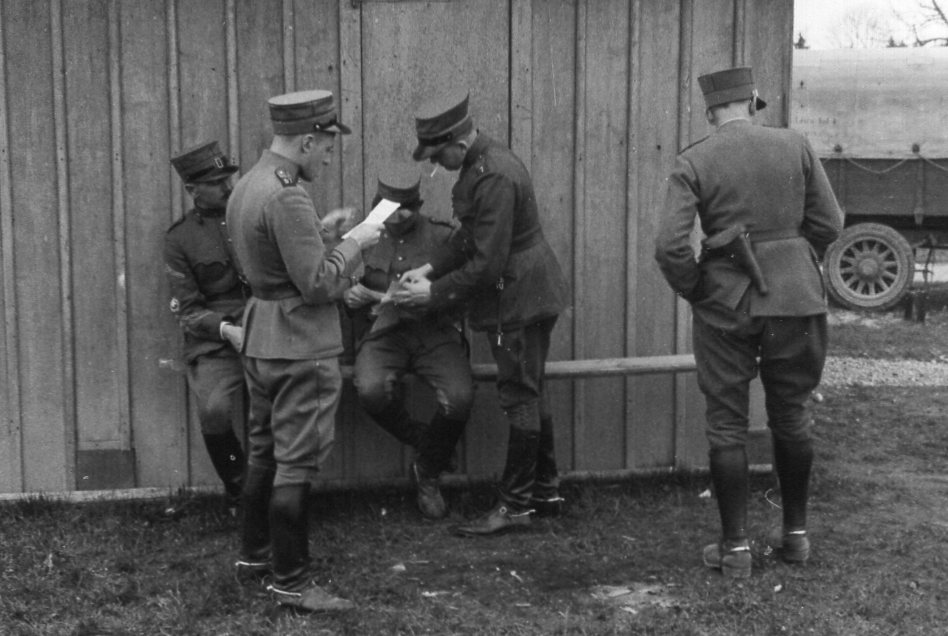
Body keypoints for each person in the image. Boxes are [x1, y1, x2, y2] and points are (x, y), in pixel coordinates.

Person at [654, 67, 843, 578]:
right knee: (792, 414)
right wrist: (792, 261)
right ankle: (796, 537)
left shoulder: (694, 159)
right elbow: (829, 224)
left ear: (710, 111)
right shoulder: (795, 145)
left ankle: (735, 548)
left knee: (726, 422)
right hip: (796, 300)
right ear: (754, 102)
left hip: (726, 305)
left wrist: (698, 289)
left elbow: (669, 247)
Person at [225, 89, 382, 612]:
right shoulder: (287, 195)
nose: (329, 158)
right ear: (307, 141)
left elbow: (271, 257)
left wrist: (322, 233)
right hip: (300, 345)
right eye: (327, 148)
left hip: (262, 336)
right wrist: (357, 241)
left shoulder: (249, 185)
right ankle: (292, 583)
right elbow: (316, 284)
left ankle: (255, 557)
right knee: (296, 462)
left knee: (264, 451)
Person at [395, 89, 570, 536]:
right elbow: (469, 237)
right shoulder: (481, 166)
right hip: (521, 291)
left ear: (458, 141)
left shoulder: (492, 176)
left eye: (439, 156)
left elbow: (487, 263)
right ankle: (545, 492)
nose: (437, 165)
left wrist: (432, 294)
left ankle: (515, 506)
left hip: (518, 296)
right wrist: (428, 268)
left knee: (519, 393)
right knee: (529, 387)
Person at [345, 164, 474, 520]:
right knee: (370, 390)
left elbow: (464, 291)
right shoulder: (361, 237)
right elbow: (336, 285)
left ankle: (427, 472)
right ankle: (428, 445)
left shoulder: (442, 237)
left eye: (406, 209)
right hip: (383, 332)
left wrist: (432, 299)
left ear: (417, 206)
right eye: (391, 209)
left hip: (434, 331)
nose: (399, 216)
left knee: (459, 398)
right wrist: (352, 298)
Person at [165, 140, 247, 516]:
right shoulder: (180, 239)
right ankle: (239, 488)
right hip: (216, 338)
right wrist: (227, 330)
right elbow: (188, 311)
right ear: (192, 189)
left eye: (228, 178)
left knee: (286, 401)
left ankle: (280, 490)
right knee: (214, 409)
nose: (227, 187)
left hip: (267, 323)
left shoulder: (252, 215)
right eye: (216, 183)